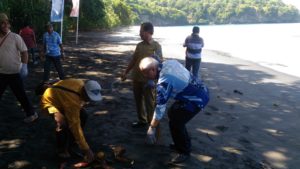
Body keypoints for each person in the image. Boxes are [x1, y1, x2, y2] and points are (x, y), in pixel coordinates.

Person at [139, 57, 209, 164]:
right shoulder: (168, 62)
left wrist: (151, 128)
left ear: (153, 69)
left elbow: (159, 108)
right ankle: (183, 143)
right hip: (197, 89)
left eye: (145, 73)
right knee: (172, 113)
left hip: (196, 99)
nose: (145, 76)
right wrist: (155, 82)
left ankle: (183, 152)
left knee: (176, 122)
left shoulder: (163, 82)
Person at [38, 78, 103, 162]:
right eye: (88, 97)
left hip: (62, 98)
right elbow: (75, 125)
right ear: (84, 91)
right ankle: (61, 150)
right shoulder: (73, 102)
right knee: (62, 123)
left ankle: (73, 140)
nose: (89, 100)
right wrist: (87, 150)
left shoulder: (80, 83)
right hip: (50, 101)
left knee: (84, 115)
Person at [121, 22, 163, 128]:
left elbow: (159, 64)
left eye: (141, 31)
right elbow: (134, 60)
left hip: (148, 80)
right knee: (138, 101)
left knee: (150, 102)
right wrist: (126, 72)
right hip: (136, 78)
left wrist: (157, 80)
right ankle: (142, 120)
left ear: (149, 32)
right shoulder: (139, 45)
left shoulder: (156, 46)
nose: (140, 34)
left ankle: (151, 124)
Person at [0, 13, 38, 123]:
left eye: (6, 22)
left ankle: (32, 114)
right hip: (1, 73)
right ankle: (31, 113)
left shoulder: (15, 37)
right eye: (2, 23)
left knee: (21, 95)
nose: (5, 25)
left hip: (14, 73)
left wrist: (24, 66)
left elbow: (25, 52)